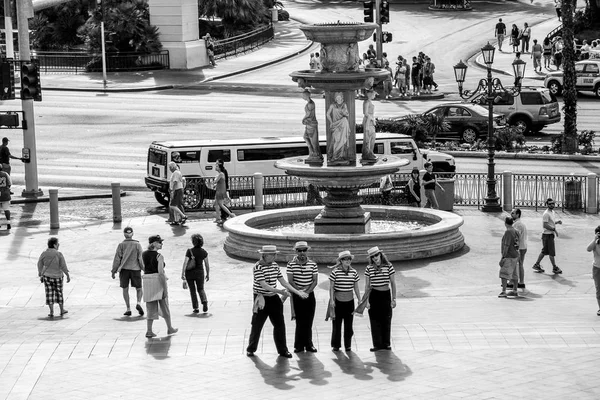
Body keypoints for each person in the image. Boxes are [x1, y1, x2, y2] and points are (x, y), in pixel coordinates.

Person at [246, 245, 308, 358]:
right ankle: (251, 349)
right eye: (272, 254)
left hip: (274, 298)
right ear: (264, 255)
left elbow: (284, 282)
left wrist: (298, 292)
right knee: (257, 324)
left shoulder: (275, 265)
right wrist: (281, 292)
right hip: (261, 297)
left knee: (280, 325)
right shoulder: (257, 267)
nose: (275, 256)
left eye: (275, 254)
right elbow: (265, 286)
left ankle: (283, 350)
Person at [360, 247, 396, 351]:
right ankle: (377, 344)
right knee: (374, 320)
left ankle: (386, 343)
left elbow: (393, 283)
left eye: (376, 255)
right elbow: (367, 285)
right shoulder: (369, 268)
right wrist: (366, 301)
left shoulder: (389, 266)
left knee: (386, 318)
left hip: (385, 294)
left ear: (380, 255)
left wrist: (394, 298)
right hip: (374, 295)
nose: (375, 258)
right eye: (373, 256)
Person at [142, 235, 178, 338]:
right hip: (157, 281)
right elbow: (161, 273)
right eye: (159, 242)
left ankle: (149, 330)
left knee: (150, 307)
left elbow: (144, 267)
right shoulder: (159, 256)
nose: (161, 244)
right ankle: (169, 328)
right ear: (153, 243)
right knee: (164, 306)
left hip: (147, 282)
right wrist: (165, 288)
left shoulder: (143, 254)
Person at [287, 241, 318, 353]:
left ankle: (309, 344)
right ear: (296, 251)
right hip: (297, 295)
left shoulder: (313, 264)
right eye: (299, 251)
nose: (302, 253)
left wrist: (307, 292)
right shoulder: (290, 264)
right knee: (299, 322)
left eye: (304, 250)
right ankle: (298, 345)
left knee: (309, 321)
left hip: (309, 295)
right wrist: (300, 292)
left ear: (307, 251)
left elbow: (315, 281)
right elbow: (290, 281)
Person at [328, 250, 361, 352]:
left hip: (349, 301)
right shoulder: (335, 272)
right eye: (345, 259)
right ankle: (336, 345)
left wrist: (359, 299)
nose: (347, 261)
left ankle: (348, 345)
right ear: (341, 261)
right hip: (338, 301)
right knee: (336, 324)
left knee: (349, 324)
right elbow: (331, 287)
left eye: (349, 259)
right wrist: (332, 300)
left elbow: (356, 287)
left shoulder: (354, 272)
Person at [111, 226, 145, 317]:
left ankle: (128, 308)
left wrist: (114, 271)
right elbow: (140, 258)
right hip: (135, 269)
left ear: (124, 234)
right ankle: (138, 303)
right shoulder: (137, 244)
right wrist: (144, 269)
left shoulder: (121, 245)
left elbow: (117, 259)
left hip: (124, 270)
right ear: (132, 234)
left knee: (125, 289)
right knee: (139, 288)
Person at [37, 237, 71, 318]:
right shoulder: (58, 254)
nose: (58, 245)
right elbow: (63, 266)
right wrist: (67, 275)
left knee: (49, 293)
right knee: (59, 293)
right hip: (58, 277)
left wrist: (41, 273)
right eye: (58, 243)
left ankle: (51, 311)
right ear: (54, 245)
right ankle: (62, 310)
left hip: (47, 276)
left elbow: (39, 264)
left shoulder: (44, 253)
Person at [181, 233, 210, 314]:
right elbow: (207, 264)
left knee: (192, 291)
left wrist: (182, 273)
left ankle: (196, 308)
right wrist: (208, 274)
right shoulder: (204, 252)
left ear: (193, 242)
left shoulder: (189, 251)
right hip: (200, 272)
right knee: (200, 289)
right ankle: (204, 301)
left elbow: (185, 263)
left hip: (189, 273)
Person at [532, 198, 563, 274]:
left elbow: (550, 222)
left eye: (552, 203)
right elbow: (545, 225)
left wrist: (556, 222)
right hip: (547, 235)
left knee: (544, 251)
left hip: (549, 235)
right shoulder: (546, 213)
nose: (552, 205)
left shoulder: (552, 212)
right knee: (551, 252)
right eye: (550, 204)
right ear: (547, 205)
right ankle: (554, 267)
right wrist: (554, 230)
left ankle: (537, 264)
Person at [498, 217, 520, 298]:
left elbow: (506, 245)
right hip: (515, 255)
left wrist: (503, 257)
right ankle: (515, 290)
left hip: (509, 255)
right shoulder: (516, 231)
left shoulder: (508, 232)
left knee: (504, 273)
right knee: (514, 273)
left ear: (505, 223)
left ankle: (503, 291)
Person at [326, 92, 350, 165]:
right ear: (335, 99)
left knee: (342, 140)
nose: (338, 99)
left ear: (342, 98)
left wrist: (344, 111)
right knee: (336, 140)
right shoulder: (332, 105)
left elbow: (347, 114)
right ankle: (335, 156)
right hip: (336, 124)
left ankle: (341, 156)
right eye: (337, 98)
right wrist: (331, 122)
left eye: (340, 97)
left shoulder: (344, 105)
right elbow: (328, 114)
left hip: (343, 124)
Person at [301, 90, 322, 162]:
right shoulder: (310, 103)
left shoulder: (311, 104)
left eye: (303, 95)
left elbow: (308, 114)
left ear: (306, 96)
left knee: (312, 140)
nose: (302, 96)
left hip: (311, 123)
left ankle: (315, 154)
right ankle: (313, 153)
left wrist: (303, 119)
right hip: (309, 123)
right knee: (307, 137)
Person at [510, 208, 528, 290]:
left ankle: (513, 282)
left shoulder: (517, 225)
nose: (511, 214)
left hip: (519, 247)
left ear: (517, 214)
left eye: (513, 213)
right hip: (523, 246)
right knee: (520, 264)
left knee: (514, 264)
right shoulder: (520, 224)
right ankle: (521, 282)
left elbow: (516, 237)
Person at [586, 226, 600, 316]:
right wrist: (595, 239)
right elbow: (588, 249)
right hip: (597, 268)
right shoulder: (595, 242)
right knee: (599, 290)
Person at [167, 162, 187, 226]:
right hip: (178, 189)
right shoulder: (177, 172)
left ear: (172, 167)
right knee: (175, 205)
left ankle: (183, 216)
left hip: (177, 190)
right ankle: (176, 220)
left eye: (170, 168)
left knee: (173, 205)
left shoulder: (176, 173)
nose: (169, 169)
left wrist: (172, 191)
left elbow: (175, 182)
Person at [362, 90, 377, 162]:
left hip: (371, 120)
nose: (375, 95)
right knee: (368, 137)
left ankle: (371, 152)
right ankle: (367, 153)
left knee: (373, 136)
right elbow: (365, 113)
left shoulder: (369, 102)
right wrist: (372, 119)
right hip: (368, 121)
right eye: (374, 94)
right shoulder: (367, 102)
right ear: (369, 94)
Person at [0, 164, 11, 230]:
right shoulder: (5, 174)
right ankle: (8, 223)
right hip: (5, 193)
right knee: (6, 209)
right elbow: (9, 184)